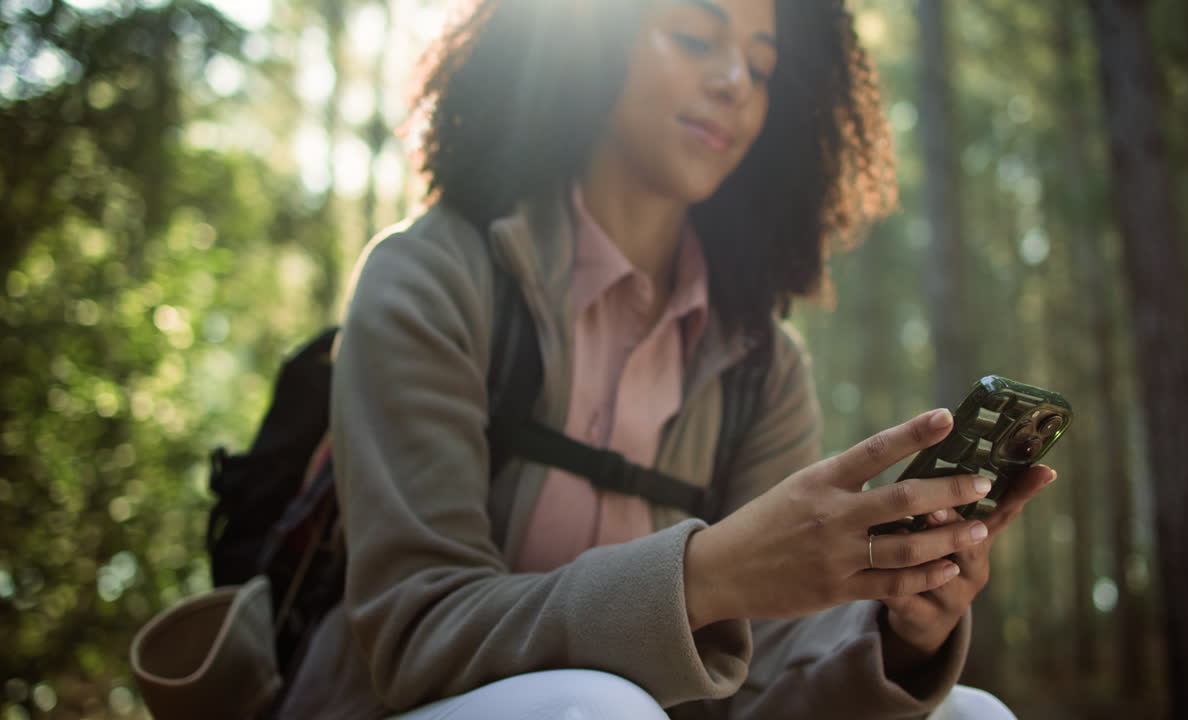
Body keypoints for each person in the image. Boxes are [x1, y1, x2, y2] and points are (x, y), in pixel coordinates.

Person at [276, 0, 1057, 718]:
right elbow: (415, 635)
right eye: (694, 38)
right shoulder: (433, 279)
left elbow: (759, 692)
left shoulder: (764, 369)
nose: (733, 85)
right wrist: (704, 576)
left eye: (761, 67)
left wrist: (905, 640)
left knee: (972, 713)